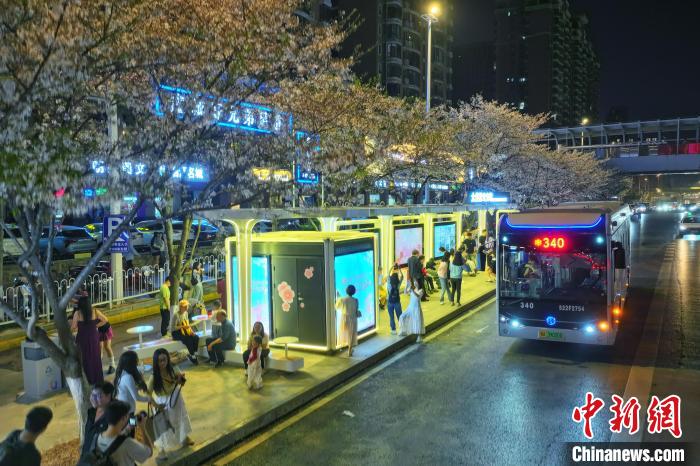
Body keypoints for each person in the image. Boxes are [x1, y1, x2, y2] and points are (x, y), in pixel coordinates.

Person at [148, 349, 193, 456]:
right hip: (162, 402)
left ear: (168, 359)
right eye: (160, 361)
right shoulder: (153, 377)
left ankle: (184, 438)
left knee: (180, 418)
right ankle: (161, 448)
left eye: (164, 359)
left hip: (175, 397)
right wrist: (156, 405)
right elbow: (148, 394)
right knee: (163, 424)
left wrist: (181, 380)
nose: (163, 363)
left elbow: (180, 380)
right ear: (156, 362)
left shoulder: (173, 369)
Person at [93, 400, 153, 466]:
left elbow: (114, 441)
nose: (128, 417)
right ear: (123, 418)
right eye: (127, 416)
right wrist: (143, 428)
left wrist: (128, 428)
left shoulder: (97, 437)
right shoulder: (127, 443)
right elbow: (149, 453)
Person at [71, 295, 105, 385]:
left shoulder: (77, 313)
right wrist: (95, 325)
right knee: (95, 357)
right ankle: (97, 379)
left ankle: (87, 380)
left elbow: (73, 327)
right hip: (93, 337)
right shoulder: (95, 311)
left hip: (82, 338)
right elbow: (105, 320)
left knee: (84, 358)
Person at [82, 382, 115, 457]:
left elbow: (131, 419)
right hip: (86, 458)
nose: (93, 399)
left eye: (97, 396)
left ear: (108, 396)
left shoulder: (115, 413)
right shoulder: (91, 412)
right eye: (92, 395)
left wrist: (130, 426)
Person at [114, 351, 151, 415]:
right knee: (133, 421)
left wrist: (137, 388)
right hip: (128, 410)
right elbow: (137, 398)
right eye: (136, 360)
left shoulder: (121, 372)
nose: (137, 362)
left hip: (124, 407)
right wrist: (148, 399)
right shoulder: (128, 377)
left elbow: (126, 389)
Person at [170, 300, 200, 365]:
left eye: (187, 306)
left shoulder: (186, 313)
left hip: (184, 330)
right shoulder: (176, 315)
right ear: (180, 307)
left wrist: (191, 331)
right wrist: (183, 326)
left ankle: (194, 354)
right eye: (185, 306)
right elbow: (173, 328)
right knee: (188, 339)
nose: (187, 308)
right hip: (176, 333)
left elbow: (187, 324)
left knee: (196, 337)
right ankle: (193, 356)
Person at [336, 285, 360, 357]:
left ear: (346, 291)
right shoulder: (356, 300)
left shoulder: (342, 299)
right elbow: (356, 309)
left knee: (343, 332)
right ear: (354, 292)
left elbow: (337, 307)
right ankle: (350, 350)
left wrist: (338, 297)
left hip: (344, 318)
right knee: (351, 334)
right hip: (353, 318)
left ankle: (341, 346)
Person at [386, 265, 404, 335]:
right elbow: (402, 277)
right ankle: (402, 328)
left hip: (390, 302)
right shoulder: (398, 284)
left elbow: (388, 274)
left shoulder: (389, 283)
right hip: (397, 302)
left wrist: (392, 267)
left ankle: (393, 330)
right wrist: (399, 269)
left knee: (391, 317)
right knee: (399, 316)